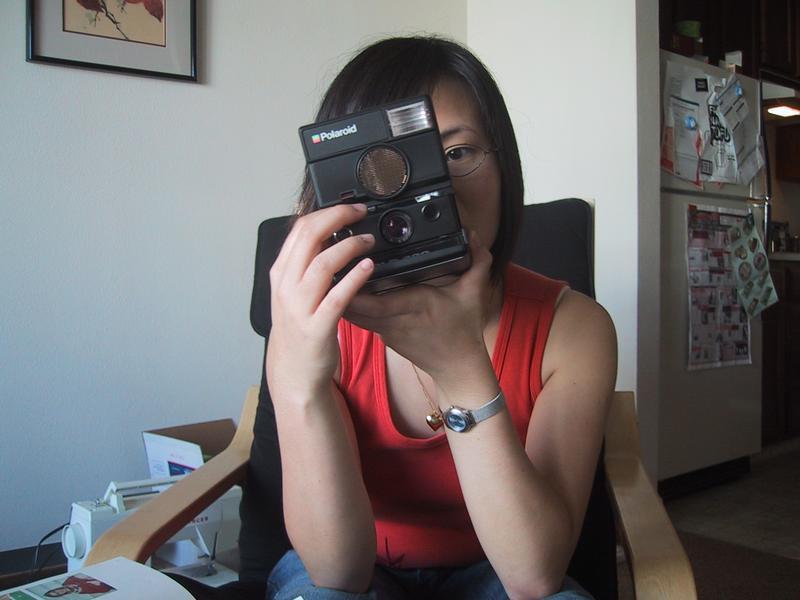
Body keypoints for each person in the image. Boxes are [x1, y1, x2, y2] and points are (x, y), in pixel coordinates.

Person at [266, 36, 617, 600]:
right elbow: (338, 573)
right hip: (365, 568)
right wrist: (297, 381)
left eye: (456, 154)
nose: (437, 190)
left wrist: (460, 369)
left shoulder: (573, 329)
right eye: (384, 166)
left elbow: (533, 577)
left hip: (499, 569)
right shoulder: (320, 322)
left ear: (505, 166)